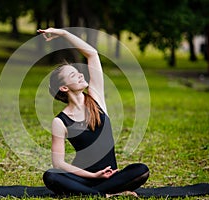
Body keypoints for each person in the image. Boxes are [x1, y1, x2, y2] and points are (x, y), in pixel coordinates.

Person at [37, 28, 149, 198]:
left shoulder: (96, 98)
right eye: (73, 75)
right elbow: (58, 163)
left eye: (78, 71)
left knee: (142, 170)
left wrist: (64, 34)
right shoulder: (60, 122)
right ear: (64, 87)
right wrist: (93, 176)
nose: (81, 75)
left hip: (111, 176)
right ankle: (106, 195)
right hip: (83, 178)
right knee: (51, 175)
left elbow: (92, 54)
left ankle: (95, 193)